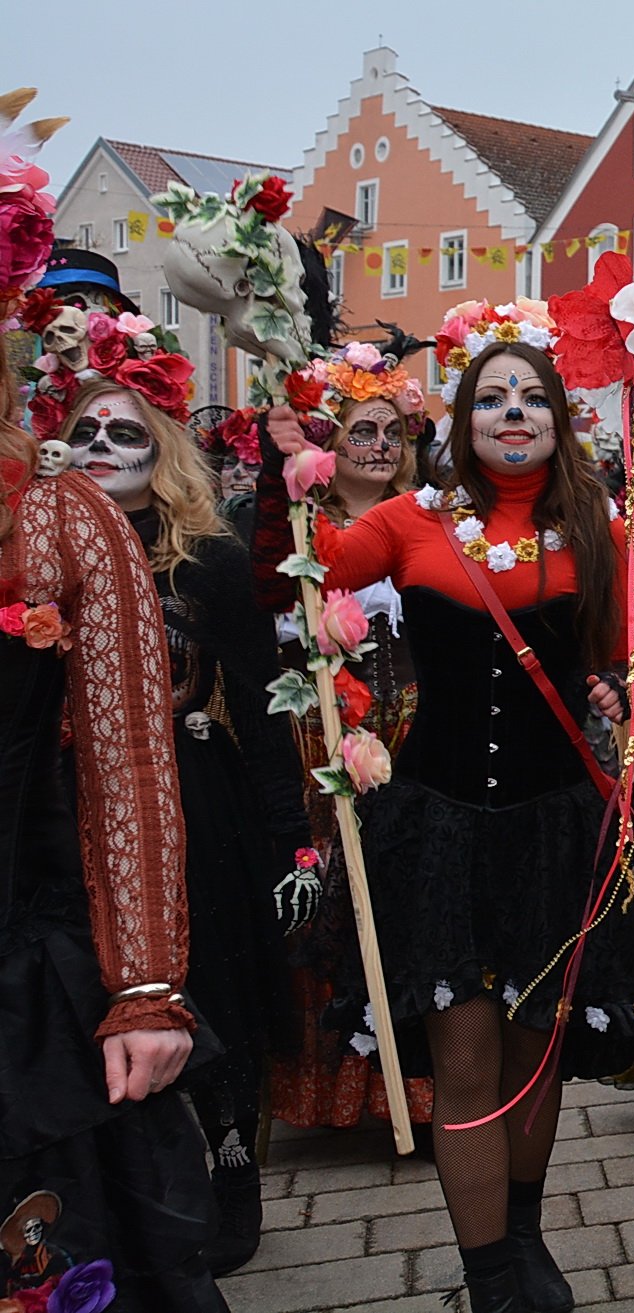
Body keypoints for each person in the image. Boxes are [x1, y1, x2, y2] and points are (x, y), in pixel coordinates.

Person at [261, 332, 634, 1313]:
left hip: (555, 830)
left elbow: (623, 656)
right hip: (440, 827)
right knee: (463, 1057)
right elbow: (307, 571)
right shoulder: (410, 521)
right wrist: (300, 471)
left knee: (537, 1055)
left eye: (531, 398)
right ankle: (490, 1276)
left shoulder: (595, 527)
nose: (513, 415)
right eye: (492, 400)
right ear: (462, 420)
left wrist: (617, 694)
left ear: (557, 419)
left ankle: (522, 1239)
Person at [2, 100, 229, 1311]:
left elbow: (130, 764)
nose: (102, 440)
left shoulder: (59, 519)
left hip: (45, 945)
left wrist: (147, 983)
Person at [48, 357, 319, 1275]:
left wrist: (294, 839)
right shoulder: (38, 557)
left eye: (125, 431)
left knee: (210, 981)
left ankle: (234, 1156)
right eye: (86, 431)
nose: (100, 447)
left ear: (159, 449)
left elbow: (266, 700)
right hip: (74, 805)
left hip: (197, 799)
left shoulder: (207, 560)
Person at [248, 346, 438, 1142]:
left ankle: (415, 1092)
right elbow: (265, 586)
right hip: (322, 750)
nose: (380, 447)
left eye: (393, 431)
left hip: (418, 748)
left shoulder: (429, 519)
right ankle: (335, 1093)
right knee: (332, 899)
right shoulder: (295, 526)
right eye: (363, 430)